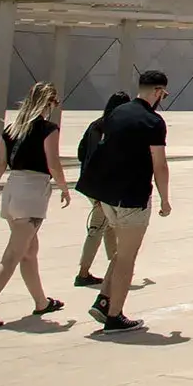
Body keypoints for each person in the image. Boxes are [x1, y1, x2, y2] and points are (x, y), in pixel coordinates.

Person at [0, 82, 71, 330]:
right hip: (31, 193)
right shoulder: (48, 129)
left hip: (12, 191)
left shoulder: (11, 129)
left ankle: (41, 301)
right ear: (47, 103)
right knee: (12, 256)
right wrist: (64, 187)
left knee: (29, 251)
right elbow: (53, 163)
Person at [75, 70, 171, 334]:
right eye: (163, 94)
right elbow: (160, 165)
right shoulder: (153, 121)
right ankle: (115, 316)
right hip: (132, 196)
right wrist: (165, 199)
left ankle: (104, 300)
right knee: (128, 257)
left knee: (121, 252)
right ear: (157, 91)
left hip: (107, 195)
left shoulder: (117, 113)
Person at [74, 91, 130, 288]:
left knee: (109, 225)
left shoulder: (95, 125)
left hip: (88, 183)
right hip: (102, 186)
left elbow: (81, 152)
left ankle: (114, 266)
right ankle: (83, 272)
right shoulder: (115, 128)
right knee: (98, 227)